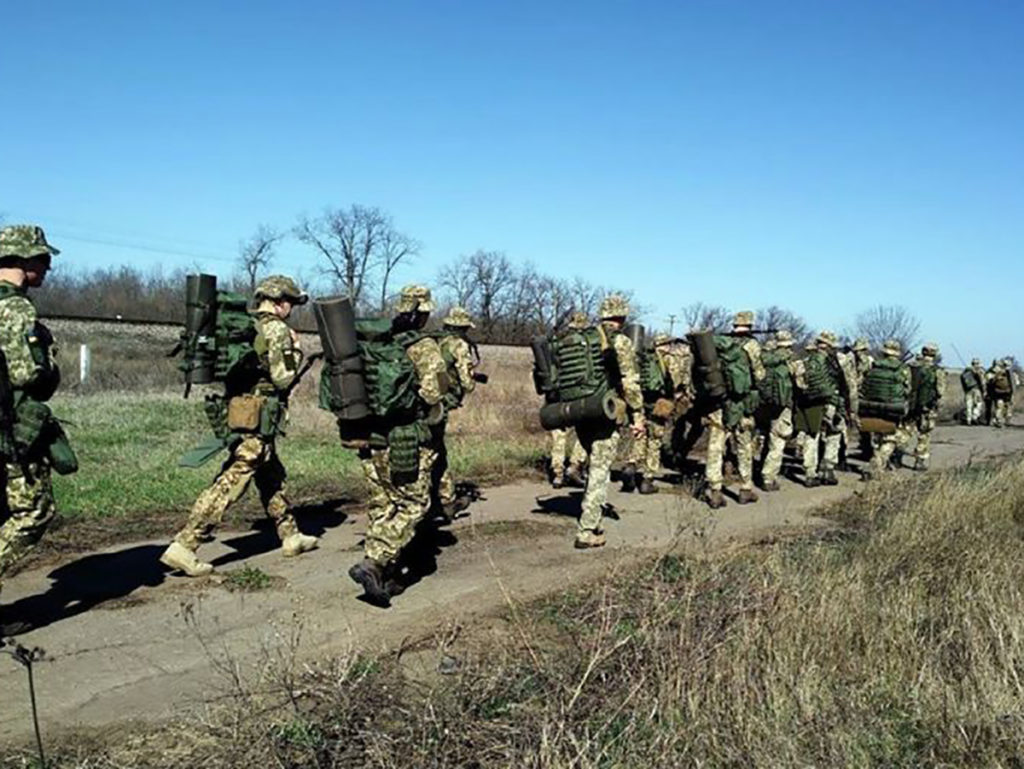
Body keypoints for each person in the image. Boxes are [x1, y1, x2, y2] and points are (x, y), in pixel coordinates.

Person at [160, 276, 319, 577]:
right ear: (279, 300)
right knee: (234, 478)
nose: (291, 308)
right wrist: (296, 350)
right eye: (291, 302)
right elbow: (283, 378)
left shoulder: (248, 326)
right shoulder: (277, 330)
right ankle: (185, 545)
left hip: (240, 410)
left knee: (272, 475)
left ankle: (291, 535)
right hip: (257, 416)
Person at [348, 285, 448, 606]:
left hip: (372, 436)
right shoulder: (424, 346)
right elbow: (434, 393)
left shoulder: (376, 341)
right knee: (414, 505)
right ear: (422, 313)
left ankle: (382, 574)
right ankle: (376, 560)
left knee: (383, 503)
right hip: (406, 440)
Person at [0, 225, 74, 636]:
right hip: (10, 426)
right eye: (42, 259)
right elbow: (30, 374)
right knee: (33, 511)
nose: (47, 267)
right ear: (22, 260)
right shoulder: (15, 310)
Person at [574, 294, 643, 548]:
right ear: (622, 317)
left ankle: (590, 515)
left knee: (594, 464)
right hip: (605, 411)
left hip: (581, 411)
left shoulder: (583, 337)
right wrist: (637, 416)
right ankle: (587, 530)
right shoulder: (621, 342)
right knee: (600, 470)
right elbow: (630, 382)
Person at [704, 311, 764, 508]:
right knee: (744, 445)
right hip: (741, 403)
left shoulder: (720, 343)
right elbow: (760, 374)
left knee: (715, 445)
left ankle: (714, 490)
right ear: (750, 325)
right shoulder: (752, 345)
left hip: (718, 401)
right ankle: (745, 488)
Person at [623, 332, 691, 494]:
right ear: (666, 344)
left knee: (640, 433)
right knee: (655, 439)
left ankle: (632, 463)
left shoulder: (644, 357)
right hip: (660, 403)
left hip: (642, 400)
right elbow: (677, 382)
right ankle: (648, 479)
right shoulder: (670, 358)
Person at [432, 306, 480, 521]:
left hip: (424, 399)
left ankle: (436, 494)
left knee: (430, 446)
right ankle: (445, 497)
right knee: (436, 448)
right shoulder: (458, 345)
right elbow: (467, 383)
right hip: (442, 402)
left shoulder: (433, 341)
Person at [795, 331, 857, 486]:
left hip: (812, 404)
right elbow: (851, 385)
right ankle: (828, 469)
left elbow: (800, 384)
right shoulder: (841, 360)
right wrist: (852, 409)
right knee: (834, 433)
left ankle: (810, 473)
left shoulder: (805, 361)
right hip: (833, 402)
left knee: (811, 435)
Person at [547, 312, 589, 489]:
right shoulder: (585, 342)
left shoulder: (557, 342)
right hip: (578, 394)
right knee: (586, 432)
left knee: (558, 435)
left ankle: (557, 473)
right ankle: (574, 465)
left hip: (555, 394)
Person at [862, 340, 913, 479]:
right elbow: (908, 389)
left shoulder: (874, 366)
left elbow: (864, 384)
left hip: (872, 406)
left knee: (877, 437)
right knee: (889, 439)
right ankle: (877, 466)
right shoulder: (902, 369)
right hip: (892, 407)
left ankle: (876, 462)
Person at [759, 330, 800, 491]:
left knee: (766, 438)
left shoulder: (766, 359)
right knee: (778, 441)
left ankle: (760, 469)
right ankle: (768, 478)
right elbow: (801, 384)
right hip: (783, 406)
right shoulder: (791, 361)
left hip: (763, 405)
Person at [908, 343, 946, 471]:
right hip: (927, 406)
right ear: (935, 354)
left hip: (909, 405)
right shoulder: (937, 370)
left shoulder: (911, 366)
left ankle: (895, 457)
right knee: (924, 433)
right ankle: (920, 461)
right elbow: (940, 391)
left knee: (904, 431)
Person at [987, 358, 1015, 428]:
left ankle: (999, 421)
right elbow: (1015, 383)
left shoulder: (997, 372)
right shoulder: (1011, 373)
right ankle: (1006, 420)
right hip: (1007, 393)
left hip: (999, 393)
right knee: (1007, 407)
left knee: (999, 407)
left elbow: (991, 382)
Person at [961, 358, 986, 425]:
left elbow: (962, 381)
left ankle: (968, 419)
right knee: (978, 404)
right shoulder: (980, 371)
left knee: (969, 405)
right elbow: (982, 382)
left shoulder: (966, 371)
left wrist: (965, 390)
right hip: (977, 389)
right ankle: (974, 417)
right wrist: (984, 391)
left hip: (968, 390)